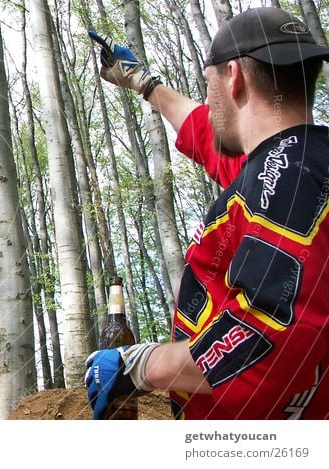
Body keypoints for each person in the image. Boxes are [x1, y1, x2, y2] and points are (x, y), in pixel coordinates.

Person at [85, 7, 329, 419]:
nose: (206, 98)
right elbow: (205, 130)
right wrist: (143, 83)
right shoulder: (295, 167)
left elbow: (265, 337)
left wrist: (142, 366)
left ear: (233, 77)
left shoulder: (289, 180)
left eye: (206, 83)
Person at [88, 29, 246, 188]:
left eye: (211, 83)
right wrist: (140, 80)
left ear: (234, 76)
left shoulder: (256, 178)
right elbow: (201, 130)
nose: (206, 101)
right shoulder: (248, 171)